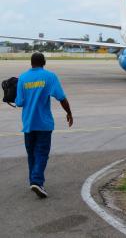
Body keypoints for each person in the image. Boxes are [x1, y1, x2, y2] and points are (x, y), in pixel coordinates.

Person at [15, 52, 73, 198]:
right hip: (44, 124)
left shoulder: (22, 77)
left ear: (31, 63)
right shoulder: (50, 76)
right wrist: (69, 113)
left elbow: (19, 102)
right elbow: (61, 97)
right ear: (44, 62)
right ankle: (36, 181)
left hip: (28, 123)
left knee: (32, 154)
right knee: (41, 153)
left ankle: (34, 182)